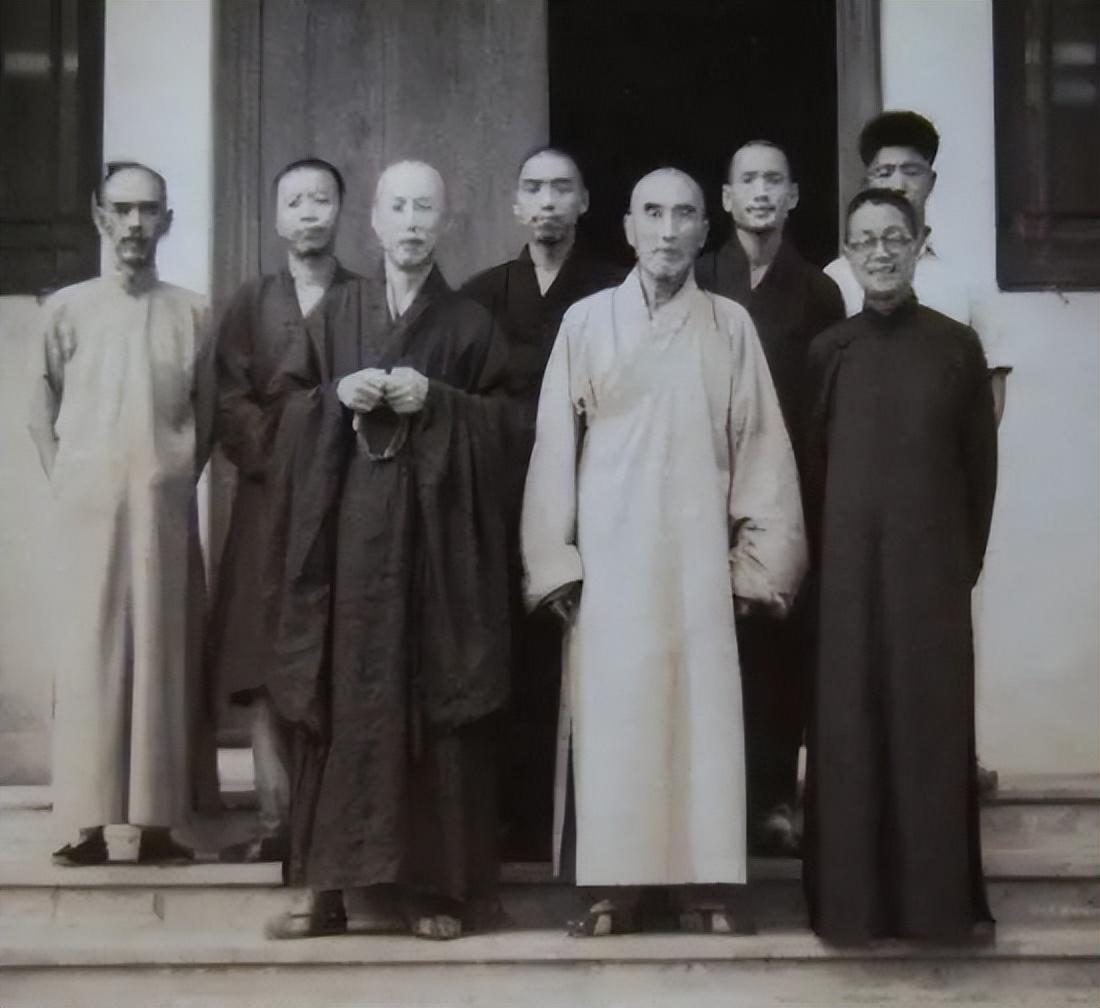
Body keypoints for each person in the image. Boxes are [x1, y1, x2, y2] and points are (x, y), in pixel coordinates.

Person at [522, 168, 807, 936]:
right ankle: (613, 889)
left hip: (695, 563)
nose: (669, 230)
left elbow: (761, 448)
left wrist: (757, 563)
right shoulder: (586, 322)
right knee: (615, 721)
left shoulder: (729, 326)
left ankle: (703, 888)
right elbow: (554, 446)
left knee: (699, 725)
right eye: (653, 213)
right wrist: (555, 559)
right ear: (628, 228)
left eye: (684, 215)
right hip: (610, 563)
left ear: (703, 231)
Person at [264, 161, 511, 941]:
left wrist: (439, 403)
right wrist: (332, 399)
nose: (410, 222)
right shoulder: (337, 312)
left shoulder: (469, 324)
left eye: (424, 208)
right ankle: (325, 885)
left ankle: (431, 890)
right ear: (372, 220)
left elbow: (510, 427)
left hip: (436, 551)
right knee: (339, 698)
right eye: (397, 206)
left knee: (431, 702)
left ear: (446, 223)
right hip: (349, 550)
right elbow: (283, 413)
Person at [803, 188, 997, 946]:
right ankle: (851, 912)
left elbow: (979, 474)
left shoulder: (957, 348)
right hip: (846, 583)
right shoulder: (829, 352)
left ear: (919, 244)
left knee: (928, 730)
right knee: (849, 729)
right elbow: (813, 472)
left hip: (930, 579)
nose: (880, 252)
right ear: (847, 255)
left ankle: (937, 911)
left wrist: (953, 569)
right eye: (864, 241)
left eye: (894, 237)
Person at [28, 162, 216, 866]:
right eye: (123, 209)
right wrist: (74, 482)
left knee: (161, 654)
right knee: (90, 657)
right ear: (99, 216)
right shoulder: (67, 309)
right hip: (89, 515)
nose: (136, 223)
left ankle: (159, 822)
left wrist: (170, 477)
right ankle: (86, 823)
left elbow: (207, 415)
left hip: (161, 512)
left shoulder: (193, 313)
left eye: (149, 209)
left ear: (167, 219)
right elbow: (40, 409)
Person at [826, 110, 1009, 796]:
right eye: (883, 172)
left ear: (931, 180)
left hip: (935, 499)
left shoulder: (966, 279)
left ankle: (955, 760)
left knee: (940, 646)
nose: (898, 181)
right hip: (861, 503)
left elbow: (987, 401)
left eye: (910, 171)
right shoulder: (837, 279)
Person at [461, 146, 623, 861]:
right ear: (516, 204)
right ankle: (509, 818)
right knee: (506, 650)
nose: (548, 201)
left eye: (563, 188)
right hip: (500, 498)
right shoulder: (479, 296)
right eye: (535, 188)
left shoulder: (615, 292)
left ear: (584, 201)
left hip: (591, 498)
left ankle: (581, 821)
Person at [696, 140, 844, 855]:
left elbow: (825, 402)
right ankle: (712, 805)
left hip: (789, 487)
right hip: (706, 483)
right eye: (747, 180)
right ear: (726, 198)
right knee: (710, 647)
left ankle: (775, 801)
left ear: (793, 197)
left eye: (773, 180)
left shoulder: (818, 291)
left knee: (780, 649)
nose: (760, 191)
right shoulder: (699, 275)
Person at [208, 158, 358, 865]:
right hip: (268, 501)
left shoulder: (364, 299)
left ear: (340, 212)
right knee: (266, 654)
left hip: (345, 497)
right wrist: (285, 448)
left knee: (336, 651)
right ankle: (276, 817)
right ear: (276, 218)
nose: (308, 213)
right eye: (295, 201)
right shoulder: (251, 303)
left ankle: (332, 820)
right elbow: (227, 397)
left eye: (320, 200)